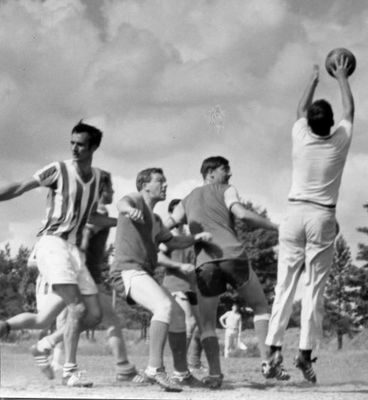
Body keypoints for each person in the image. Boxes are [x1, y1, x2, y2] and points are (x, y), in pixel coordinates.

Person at [0, 121, 116, 387]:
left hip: (73, 251)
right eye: (72, 143)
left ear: (94, 147)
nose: (74, 148)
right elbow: (20, 187)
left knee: (92, 315)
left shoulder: (98, 178)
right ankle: (69, 371)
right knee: (76, 308)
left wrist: (122, 222)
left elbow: (91, 216)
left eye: (81, 144)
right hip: (52, 244)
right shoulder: (58, 169)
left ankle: (14, 331)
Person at [264, 56, 354, 384]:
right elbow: (350, 112)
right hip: (321, 216)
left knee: (284, 285)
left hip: (293, 213)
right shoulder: (340, 141)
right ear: (330, 124)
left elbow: (299, 110)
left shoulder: (300, 136)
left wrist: (315, 78)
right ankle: (304, 354)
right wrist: (342, 76)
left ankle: (272, 351)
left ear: (311, 122)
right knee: (313, 288)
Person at [166, 156, 283, 389]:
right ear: (210, 173)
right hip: (232, 255)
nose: (229, 174)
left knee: (207, 324)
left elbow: (165, 227)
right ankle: (267, 361)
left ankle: (215, 375)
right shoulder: (227, 189)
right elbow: (242, 214)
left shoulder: (187, 199)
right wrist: (277, 227)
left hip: (205, 264)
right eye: (225, 170)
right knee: (260, 306)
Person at [110, 167, 212, 392]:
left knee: (177, 315)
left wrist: (197, 237)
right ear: (145, 185)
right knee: (164, 306)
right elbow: (121, 203)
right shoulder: (136, 200)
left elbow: (173, 242)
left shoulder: (156, 219)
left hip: (141, 273)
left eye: (165, 181)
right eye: (160, 181)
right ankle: (154, 369)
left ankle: (182, 374)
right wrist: (128, 210)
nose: (165, 185)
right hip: (126, 271)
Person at [44, 170, 136, 381]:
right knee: (108, 320)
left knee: (71, 319)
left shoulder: (94, 211)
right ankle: (122, 368)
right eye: (111, 188)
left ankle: (49, 348)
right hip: (87, 275)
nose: (113, 192)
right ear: (101, 190)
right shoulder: (97, 210)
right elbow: (87, 232)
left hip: (84, 274)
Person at [159, 199, 205, 371]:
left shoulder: (190, 236)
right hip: (174, 285)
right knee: (189, 323)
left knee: (202, 325)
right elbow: (159, 258)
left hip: (192, 287)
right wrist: (179, 266)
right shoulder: (166, 237)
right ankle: (179, 366)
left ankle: (193, 363)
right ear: (172, 214)